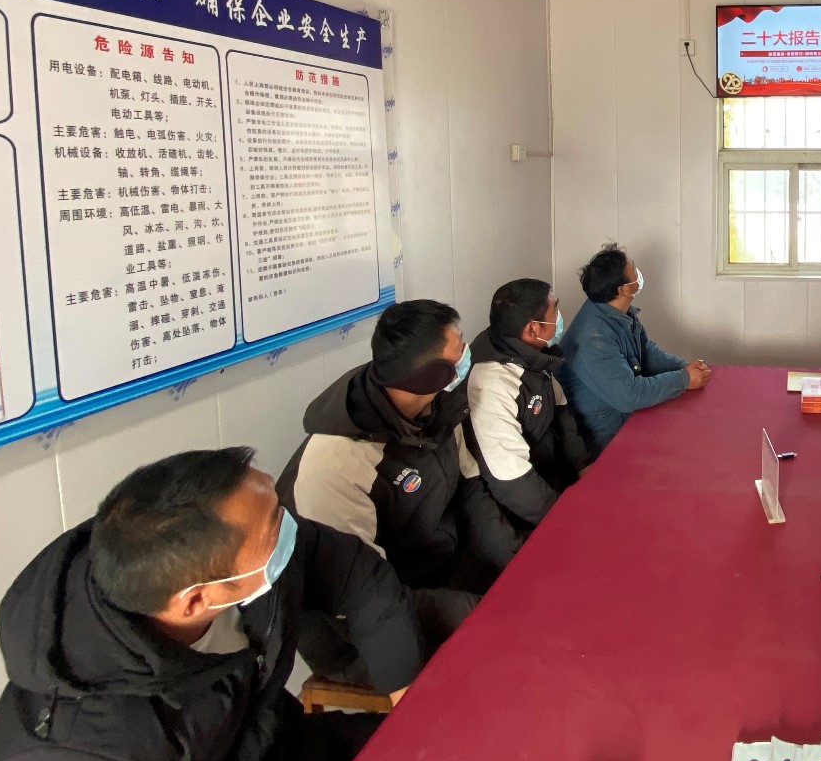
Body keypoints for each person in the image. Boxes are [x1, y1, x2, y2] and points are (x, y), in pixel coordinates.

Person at [0, 447, 423, 761]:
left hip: (282, 754)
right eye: (275, 524)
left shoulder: (239, 553)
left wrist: (408, 696)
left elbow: (357, 576)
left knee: (438, 752)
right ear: (194, 602)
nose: (290, 527)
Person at [276, 300, 521, 689]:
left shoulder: (436, 407)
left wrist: (516, 561)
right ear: (430, 374)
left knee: (536, 591)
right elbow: (368, 599)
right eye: (458, 351)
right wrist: (476, 611)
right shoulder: (336, 462)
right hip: (361, 634)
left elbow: (468, 492)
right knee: (507, 650)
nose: (467, 355)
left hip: (433, 568)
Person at [464, 278, 593, 529]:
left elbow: (561, 413)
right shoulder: (491, 383)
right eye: (555, 309)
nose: (559, 316)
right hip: (523, 508)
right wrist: (564, 519)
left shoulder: (531, 351)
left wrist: (582, 465)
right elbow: (512, 479)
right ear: (532, 329)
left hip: (552, 476)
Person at [557, 244, 710, 454]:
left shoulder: (617, 311)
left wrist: (685, 367)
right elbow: (630, 395)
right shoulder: (594, 338)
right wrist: (684, 379)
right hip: (603, 438)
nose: (638, 273)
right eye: (633, 269)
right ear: (624, 289)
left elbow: (646, 352)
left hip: (626, 418)